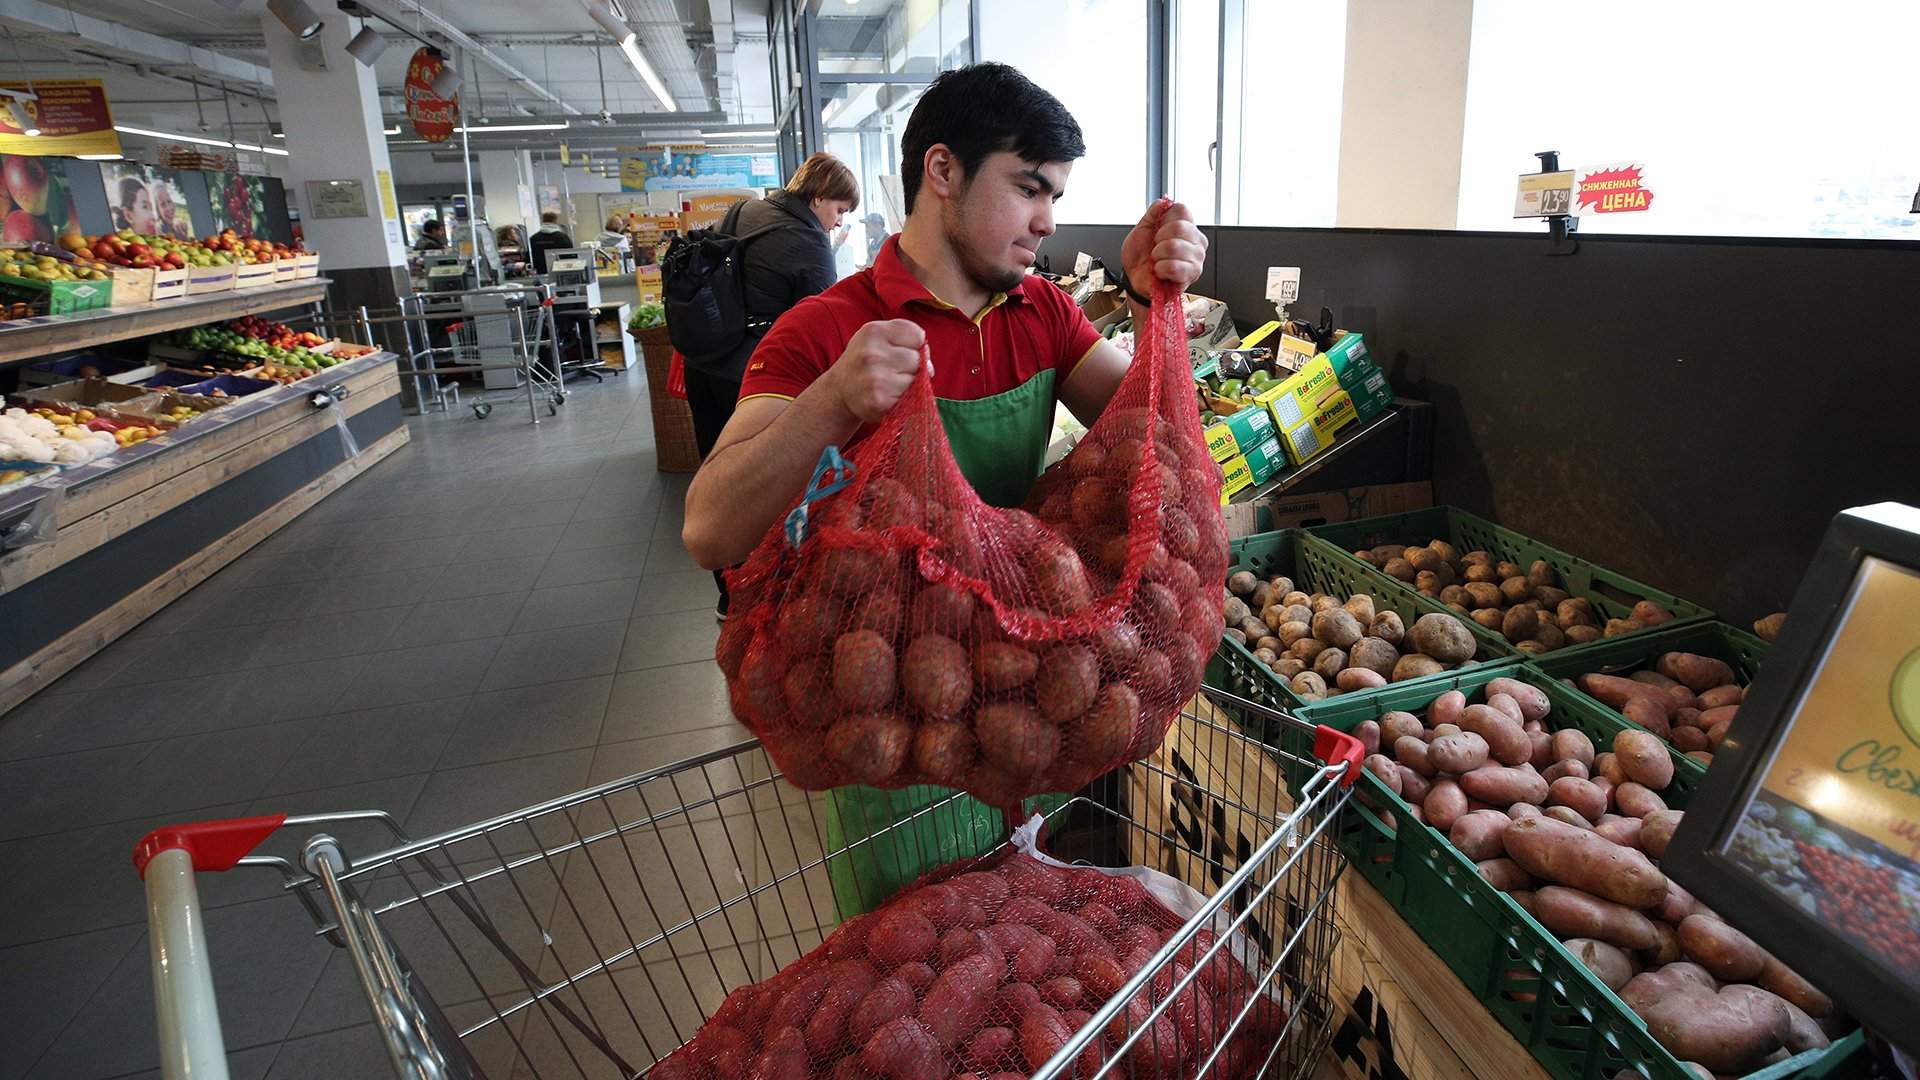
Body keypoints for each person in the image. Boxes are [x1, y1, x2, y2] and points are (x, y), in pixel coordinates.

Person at [680, 63, 1206, 913]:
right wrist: (831, 402)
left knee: (1023, 950)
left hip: (1026, 705)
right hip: (895, 729)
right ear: (943, 171)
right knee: (910, 964)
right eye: (1030, 188)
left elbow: (1160, 433)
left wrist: (1157, 304)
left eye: (1057, 197)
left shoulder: (1043, 315)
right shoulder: (826, 329)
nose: (1047, 221)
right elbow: (709, 528)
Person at [680, 151, 859, 618]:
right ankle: (762, 593)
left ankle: (729, 594)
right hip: (756, 377)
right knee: (766, 485)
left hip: (707, 362)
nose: (837, 221)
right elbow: (826, 320)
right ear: (819, 195)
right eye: (838, 209)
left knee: (720, 473)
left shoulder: (744, 210)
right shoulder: (806, 240)